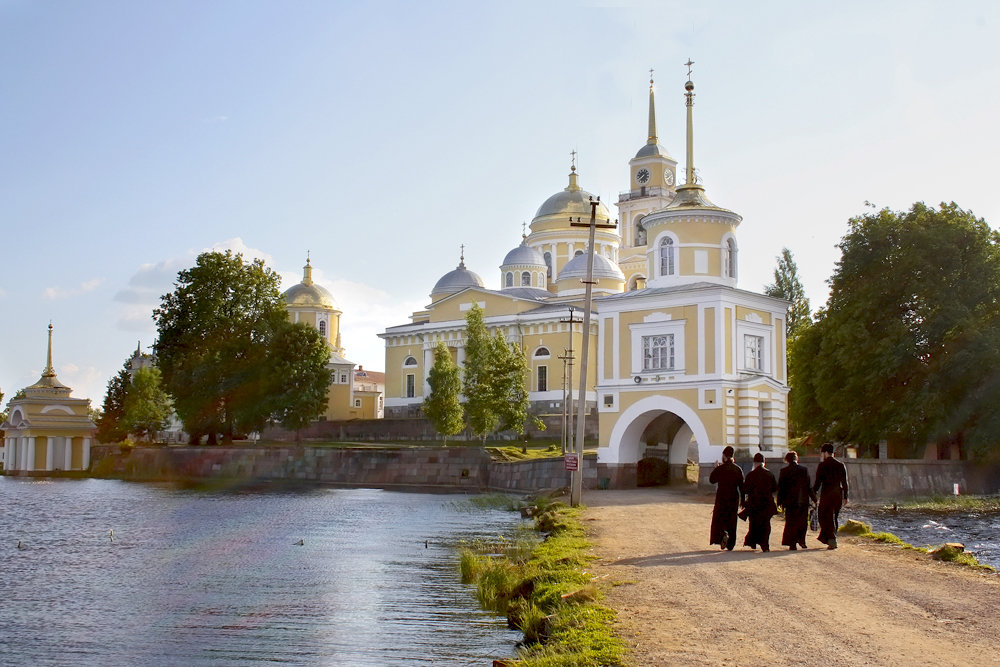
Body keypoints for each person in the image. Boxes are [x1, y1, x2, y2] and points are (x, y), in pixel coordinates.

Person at [813, 443, 849, 549]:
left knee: (824, 517)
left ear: (825, 453)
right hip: (838, 494)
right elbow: (845, 482)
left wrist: (813, 495)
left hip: (826, 494)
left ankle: (831, 539)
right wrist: (846, 496)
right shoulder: (840, 465)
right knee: (834, 517)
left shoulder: (822, 465)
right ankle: (831, 538)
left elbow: (817, 483)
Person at [777, 451, 815, 550]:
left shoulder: (784, 471)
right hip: (802, 501)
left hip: (789, 502)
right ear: (796, 459)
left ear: (787, 460)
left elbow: (781, 488)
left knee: (791, 522)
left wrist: (779, 502)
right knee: (802, 522)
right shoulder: (804, 470)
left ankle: (792, 543)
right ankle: (802, 541)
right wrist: (814, 499)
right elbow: (809, 487)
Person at [710, 446, 744, 551]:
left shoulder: (720, 469)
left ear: (724, 456)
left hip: (722, 497)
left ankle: (722, 535)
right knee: (732, 520)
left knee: (720, 519)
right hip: (734, 497)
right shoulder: (738, 469)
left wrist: (715, 468)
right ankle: (731, 544)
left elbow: (712, 480)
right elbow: (742, 486)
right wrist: (743, 500)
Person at [742, 452, 778, 551]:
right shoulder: (769, 474)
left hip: (754, 503)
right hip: (767, 504)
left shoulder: (751, 475)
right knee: (766, 525)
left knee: (754, 524)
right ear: (764, 462)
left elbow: (745, 489)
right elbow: (775, 488)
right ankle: (765, 544)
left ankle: (753, 542)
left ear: (754, 463)